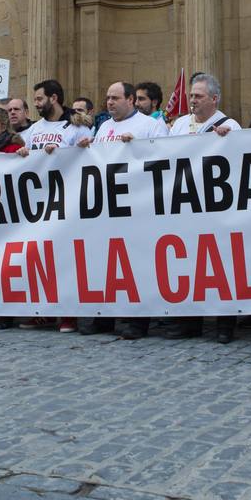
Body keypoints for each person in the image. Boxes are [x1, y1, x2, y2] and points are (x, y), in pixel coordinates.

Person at [80, 82, 167, 340]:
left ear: (130, 99)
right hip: (106, 208)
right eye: (107, 98)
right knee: (106, 264)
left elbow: (165, 157)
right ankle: (103, 315)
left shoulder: (151, 125)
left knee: (136, 265)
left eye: (115, 98)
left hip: (137, 207)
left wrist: (138, 145)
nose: (109, 103)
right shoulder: (105, 127)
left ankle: (135, 319)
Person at [161, 73, 241, 342]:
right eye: (191, 95)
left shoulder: (230, 126)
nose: (192, 100)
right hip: (185, 206)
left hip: (216, 208)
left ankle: (224, 324)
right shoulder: (180, 124)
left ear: (214, 99)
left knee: (220, 267)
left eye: (198, 96)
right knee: (187, 267)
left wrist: (226, 141)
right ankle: (188, 322)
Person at [23, 80, 89, 150]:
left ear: (53, 98)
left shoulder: (78, 127)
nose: (35, 104)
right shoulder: (33, 129)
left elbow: (87, 156)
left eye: (39, 99)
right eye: (35, 100)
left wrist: (59, 152)